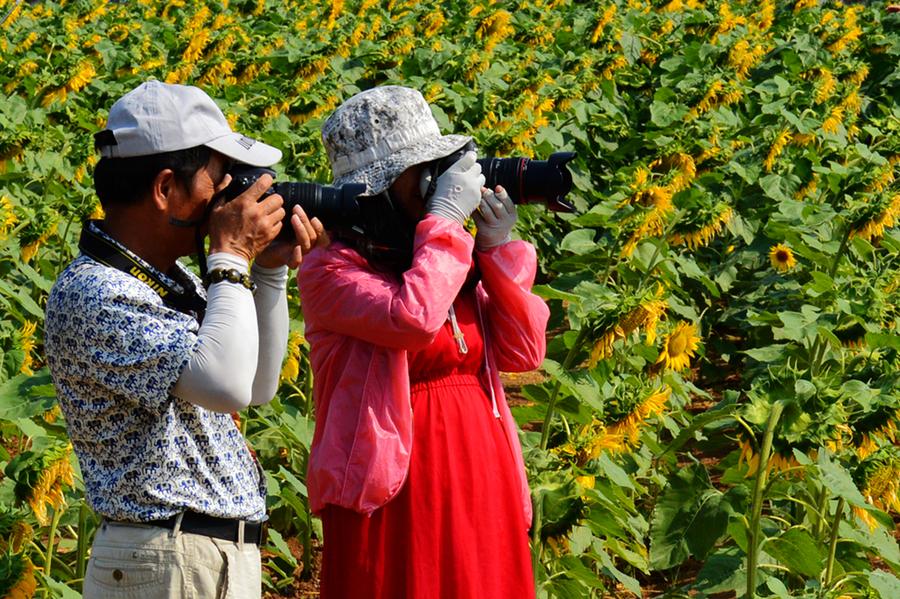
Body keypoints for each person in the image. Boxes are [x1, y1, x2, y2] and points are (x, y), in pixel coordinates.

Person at [43, 80, 325, 599]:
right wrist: (230, 257)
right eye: (219, 181)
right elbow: (225, 385)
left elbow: (257, 383)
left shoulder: (174, 280)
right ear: (165, 188)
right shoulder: (96, 291)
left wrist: (264, 273)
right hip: (163, 559)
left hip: (192, 560)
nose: (229, 198)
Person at [298, 85, 549, 598]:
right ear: (383, 188)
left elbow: (524, 352)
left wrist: (498, 250)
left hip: (480, 466)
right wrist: (445, 227)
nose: (436, 188)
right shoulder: (331, 270)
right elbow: (413, 316)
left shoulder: (445, 256)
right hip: (396, 485)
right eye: (424, 174)